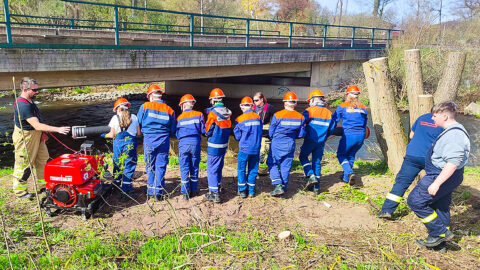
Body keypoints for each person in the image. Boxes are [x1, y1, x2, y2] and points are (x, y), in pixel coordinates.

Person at [407, 101, 470, 249]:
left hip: (440, 175)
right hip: (445, 175)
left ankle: (440, 232)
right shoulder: (452, 130)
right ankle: (440, 244)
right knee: (440, 206)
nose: (432, 118)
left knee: (415, 201)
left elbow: (452, 163)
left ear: (445, 116)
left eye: (435, 116)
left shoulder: (454, 135)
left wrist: (436, 183)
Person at [12, 77, 70, 199]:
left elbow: (37, 123)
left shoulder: (30, 101)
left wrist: (43, 133)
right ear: (25, 89)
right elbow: (36, 125)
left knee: (43, 160)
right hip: (26, 137)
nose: (37, 92)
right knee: (24, 164)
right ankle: (20, 191)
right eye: (34, 90)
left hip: (36, 134)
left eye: (37, 89)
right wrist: (58, 129)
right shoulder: (23, 105)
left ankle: (44, 186)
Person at [377, 112, 443, 219]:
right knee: (435, 183)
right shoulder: (445, 122)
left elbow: (411, 135)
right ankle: (431, 210)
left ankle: (387, 210)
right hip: (431, 158)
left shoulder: (422, 117)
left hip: (413, 155)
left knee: (401, 183)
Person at [137, 84, 176, 201]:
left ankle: (150, 190)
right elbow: (173, 129)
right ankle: (159, 192)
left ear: (150, 96)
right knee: (161, 165)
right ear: (160, 96)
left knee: (150, 165)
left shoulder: (145, 106)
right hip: (164, 139)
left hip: (149, 138)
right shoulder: (169, 109)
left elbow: (138, 122)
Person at [267, 91, 305, 197]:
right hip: (290, 143)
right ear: (295, 103)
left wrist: (272, 138)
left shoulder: (278, 115)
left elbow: (271, 131)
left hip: (277, 143)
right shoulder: (300, 117)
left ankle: (277, 184)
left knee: (272, 162)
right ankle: (283, 187)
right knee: (286, 165)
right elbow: (301, 134)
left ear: (284, 103)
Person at [299, 90, 335, 194]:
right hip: (321, 141)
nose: (309, 102)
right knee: (317, 162)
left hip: (310, 140)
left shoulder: (309, 111)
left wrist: (302, 134)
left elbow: (302, 124)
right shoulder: (329, 113)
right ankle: (316, 188)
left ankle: (310, 175)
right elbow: (331, 129)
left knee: (303, 157)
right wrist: (325, 136)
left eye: (309, 100)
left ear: (312, 100)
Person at [103, 98, 141, 199]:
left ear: (117, 109)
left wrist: (104, 136)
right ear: (128, 107)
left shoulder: (114, 119)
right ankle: (126, 190)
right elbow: (138, 133)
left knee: (117, 164)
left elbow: (112, 134)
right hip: (130, 144)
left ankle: (116, 186)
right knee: (129, 166)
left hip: (118, 144)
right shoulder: (134, 117)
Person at [331, 85, 368, 185]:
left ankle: (349, 172)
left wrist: (329, 130)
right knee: (351, 155)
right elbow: (365, 123)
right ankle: (346, 178)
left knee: (341, 154)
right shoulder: (363, 107)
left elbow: (334, 120)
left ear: (347, 95)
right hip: (361, 136)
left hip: (349, 136)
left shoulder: (342, 106)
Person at [205, 88, 232, 203]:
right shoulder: (228, 113)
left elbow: (208, 130)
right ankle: (218, 185)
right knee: (219, 166)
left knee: (211, 169)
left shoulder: (212, 113)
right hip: (224, 145)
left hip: (213, 145)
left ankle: (214, 194)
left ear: (213, 100)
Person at [176, 94, 205, 200]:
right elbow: (203, 130)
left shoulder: (179, 117)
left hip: (183, 143)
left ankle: (185, 193)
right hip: (195, 143)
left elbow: (177, 133)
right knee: (194, 166)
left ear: (182, 105)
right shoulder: (199, 114)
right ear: (192, 104)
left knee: (184, 167)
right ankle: (194, 190)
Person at [233, 96, 263, 198]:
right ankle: (251, 191)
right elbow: (260, 132)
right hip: (256, 148)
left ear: (241, 107)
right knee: (253, 170)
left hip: (244, 149)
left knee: (241, 169)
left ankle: (242, 191)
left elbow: (237, 137)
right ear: (252, 106)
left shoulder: (239, 119)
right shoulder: (258, 118)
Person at [252, 92, 278, 176]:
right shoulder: (253, 108)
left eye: (256, 100)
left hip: (264, 131)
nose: (254, 102)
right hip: (255, 130)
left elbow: (278, 115)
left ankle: (262, 171)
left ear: (262, 99)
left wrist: (273, 126)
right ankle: (255, 167)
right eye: (253, 100)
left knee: (263, 151)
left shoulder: (269, 107)